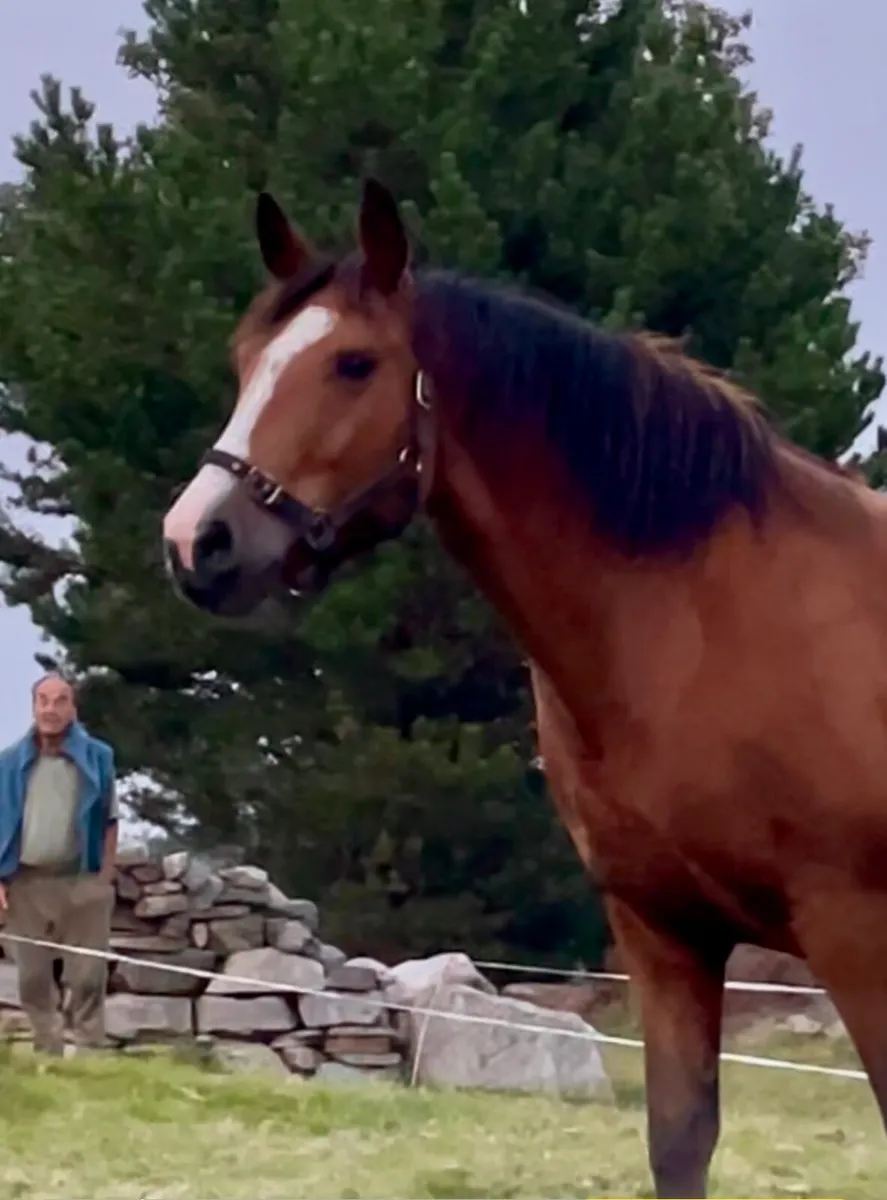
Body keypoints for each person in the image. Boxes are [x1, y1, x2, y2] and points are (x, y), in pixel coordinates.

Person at [0, 673, 119, 1054]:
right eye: (43, 700)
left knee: (87, 975)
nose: (50, 709)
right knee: (33, 976)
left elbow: (110, 820)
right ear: (34, 706)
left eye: (60, 700)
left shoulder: (98, 758)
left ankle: (87, 1050)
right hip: (25, 882)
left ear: (73, 708)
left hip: (80, 878)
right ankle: (46, 1049)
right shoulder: (7, 764)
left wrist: (103, 878)